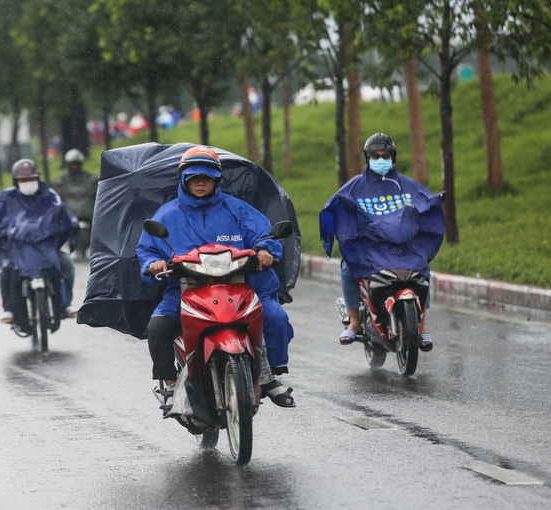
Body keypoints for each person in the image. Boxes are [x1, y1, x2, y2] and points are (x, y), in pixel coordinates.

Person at [136, 146, 296, 415]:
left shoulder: (238, 210)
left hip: (238, 287)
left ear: (217, 180)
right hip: (184, 290)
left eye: (207, 177)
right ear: (184, 179)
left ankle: (268, 376)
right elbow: (147, 249)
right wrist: (153, 264)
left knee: (276, 318)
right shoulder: (165, 215)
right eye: (194, 177)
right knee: (158, 328)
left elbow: (263, 236)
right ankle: (171, 386)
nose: (200, 182)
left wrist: (267, 251)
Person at [319, 133, 445, 350]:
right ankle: (355, 321)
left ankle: (422, 327)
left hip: (403, 247)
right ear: (367, 159)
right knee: (348, 266)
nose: (380, 160)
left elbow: (425, 203)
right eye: (375, 156)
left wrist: (435, 202)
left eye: (385, 155)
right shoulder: (356, 186)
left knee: (422, 266)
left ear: (393, 157)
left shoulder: (406, 185)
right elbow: (335, 206)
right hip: (370, 248)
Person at [0, 159, 80, 324]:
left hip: (47, 248)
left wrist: (71, 226)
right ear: (16, 181)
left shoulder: (49, 196)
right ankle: (9, 308)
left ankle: (65, 304)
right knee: (6, 270)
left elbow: (64, 215)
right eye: (23, 180)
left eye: (31, 179)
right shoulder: (5, 198)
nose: (28, 183)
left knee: (67, 264)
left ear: (38, 178)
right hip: (17, 250)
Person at [51, 149, 98, 260]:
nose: (75, 166)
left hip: (89, 216)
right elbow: (54, 199)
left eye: (77, 163)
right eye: (72, 164)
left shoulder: (91, 179)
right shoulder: (60, 180)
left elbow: (99, 196)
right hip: (69, 217)